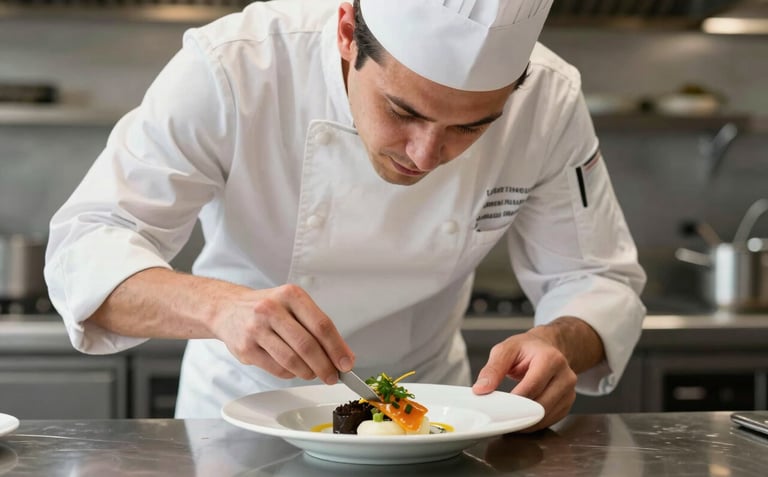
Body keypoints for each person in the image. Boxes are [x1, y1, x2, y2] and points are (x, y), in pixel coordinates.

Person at [44, 0, 646, 432]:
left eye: (469, 128)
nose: (425, 156)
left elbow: (597, 278)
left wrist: (559, 342)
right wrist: (219, 308)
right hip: (242, 417)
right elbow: (86, 248)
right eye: (403, 111)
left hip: (432, 418)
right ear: (346, 32)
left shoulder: (549, 100)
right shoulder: (236, 66)